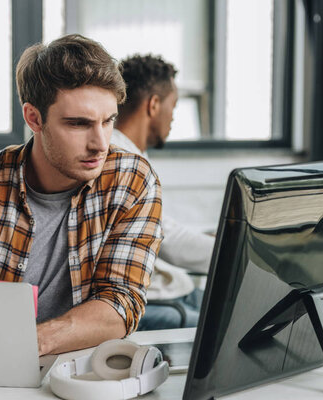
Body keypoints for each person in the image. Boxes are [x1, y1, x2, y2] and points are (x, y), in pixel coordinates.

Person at [0, 35, 163, 355]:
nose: (100, 143)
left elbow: (120, 304)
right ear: (33, 118)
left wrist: (27, 343)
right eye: (79, 124)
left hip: (77, 374)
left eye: (107, 121)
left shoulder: (131, 181)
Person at [112, 54, 215, 330]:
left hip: (172, 290)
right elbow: (165, 240)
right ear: (154, 104)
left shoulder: (132, 153)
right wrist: (235, 251)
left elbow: (159, 225)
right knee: (237, 331)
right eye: (174, 106)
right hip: (153, 302)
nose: (173, 118)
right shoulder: (120, 159)